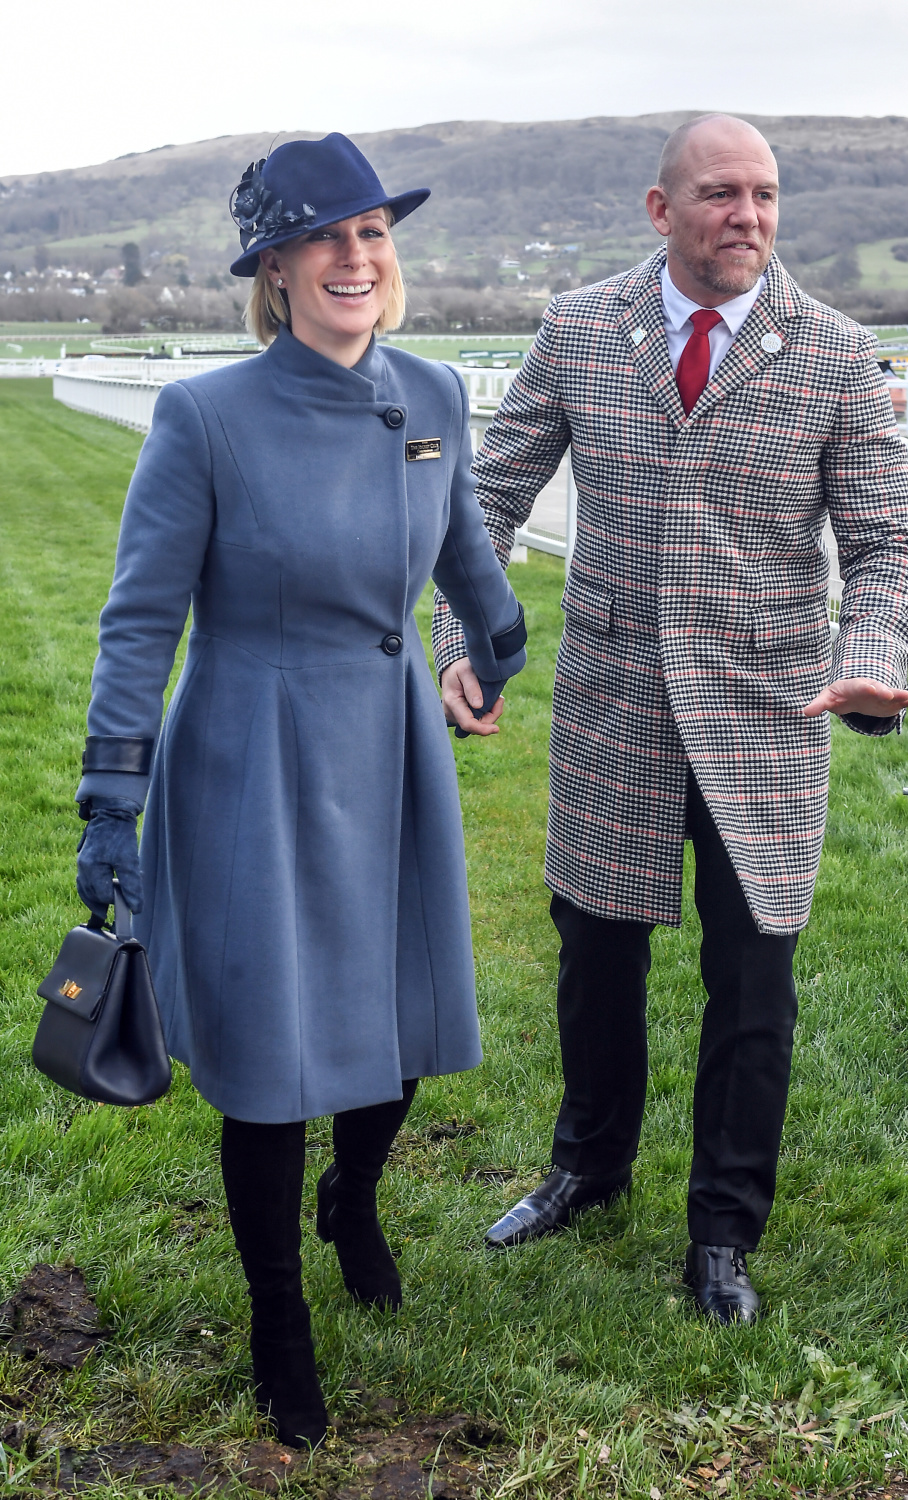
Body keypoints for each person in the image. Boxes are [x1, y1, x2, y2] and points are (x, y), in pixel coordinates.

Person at [73, 132, 526, 1447]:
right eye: (326, 234)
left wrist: (495, 644)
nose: (355, 254)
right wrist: (114, 793)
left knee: (396, 1028)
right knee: (273, 1062)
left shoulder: (434, 393)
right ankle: (281, 1319)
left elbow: (465, 555)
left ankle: (356, 1201)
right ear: (273, 265)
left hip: (389, 752)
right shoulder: (205, 418)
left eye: (374, 230)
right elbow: (138, 621)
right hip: (254, 755)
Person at [433, 114, 908, 1324]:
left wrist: (867, 656)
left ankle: (722, 1234)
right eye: (718, 194)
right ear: (663, 210)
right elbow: (485, 498)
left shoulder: (834, 352)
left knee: (753, 986)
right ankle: (587, 1169)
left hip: (768, 711)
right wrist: (461, 642)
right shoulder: (580, 327)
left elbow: (884, 543)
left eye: (762, 195)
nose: (745, 217)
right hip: (612, 706)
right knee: (597, 963)